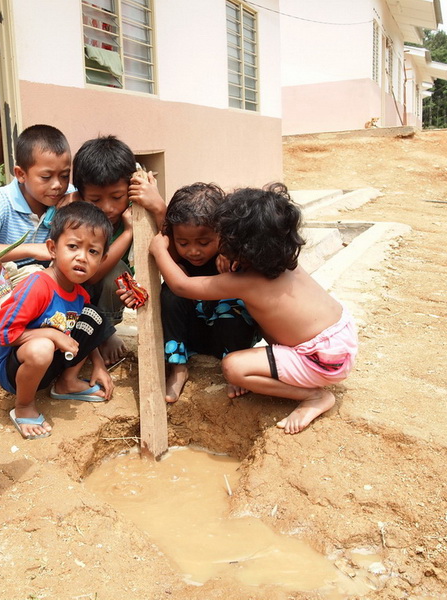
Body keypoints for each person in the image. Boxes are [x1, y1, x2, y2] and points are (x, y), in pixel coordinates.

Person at [149, 183, 358, 434]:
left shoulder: (249, 282)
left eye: (223, 238)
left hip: (319, 360)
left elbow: (181, 286)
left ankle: (314, 396)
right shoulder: (285, 262)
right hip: (339, 339)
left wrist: (159, 250)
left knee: (234, 369)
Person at [0, 201, 114, 439]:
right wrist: (50, 333)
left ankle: (66, 383)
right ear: (52, 248)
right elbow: (3, 333)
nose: (82, 257)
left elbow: (87, 335)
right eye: (73, 246)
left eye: (93, 251)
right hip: (15, 372)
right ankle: (24, 406)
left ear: (102, 258)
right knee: (42, 347)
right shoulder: (38, 285)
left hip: (49, 366)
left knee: (94, 316)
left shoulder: (80, 294)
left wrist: (98, 364)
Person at [0, 124, 74, 387]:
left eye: (64, 175)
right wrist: (29, 249)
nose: (58, 185)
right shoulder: (1, 199)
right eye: (46, 177)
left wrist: (74, 207)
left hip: (43, 285)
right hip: (3, 282)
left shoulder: (68, 197)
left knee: (43, 275)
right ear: (20, 174)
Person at [154, 182, 260, 403]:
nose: (193, 251)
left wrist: (231, 252)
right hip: (193, 337)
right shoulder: (180, 259)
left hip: (229, 337)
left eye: (204, 242)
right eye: (183, 242)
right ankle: (178, 367)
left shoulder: (234, 257)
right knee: (170, 293)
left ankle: (235, 364)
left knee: (233, 304)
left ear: (222, 232)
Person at [71, 135, 166, 364]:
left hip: (109, 292)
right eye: (95, 199)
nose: (108, 207)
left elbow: (170, 243)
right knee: (114, 270)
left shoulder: (138, 210)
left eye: (116, 197)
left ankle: (105, 328)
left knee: (119, 274)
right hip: (76, 292)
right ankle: (104, 334)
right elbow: (92, 272)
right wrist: (127, 233)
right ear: (81, 195)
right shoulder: (78, 217)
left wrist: (159, 207)